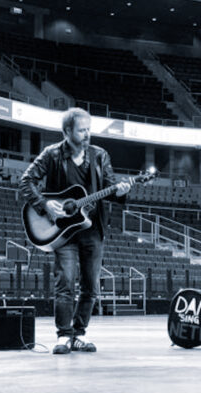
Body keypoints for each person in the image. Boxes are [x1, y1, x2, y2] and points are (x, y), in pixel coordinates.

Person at [20, 108, 132, 354]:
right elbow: (26, 181)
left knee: (91, 288)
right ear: (67, 131)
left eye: (89, 129)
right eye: (82, 130)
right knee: (65, 284)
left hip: (93, 231)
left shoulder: (100, 156)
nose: (87, 134)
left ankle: (78, 334)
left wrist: (121, 191)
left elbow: (111, 187)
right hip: (62, 231)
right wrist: (45, 204)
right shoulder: (52, 154)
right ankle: (63, 335)